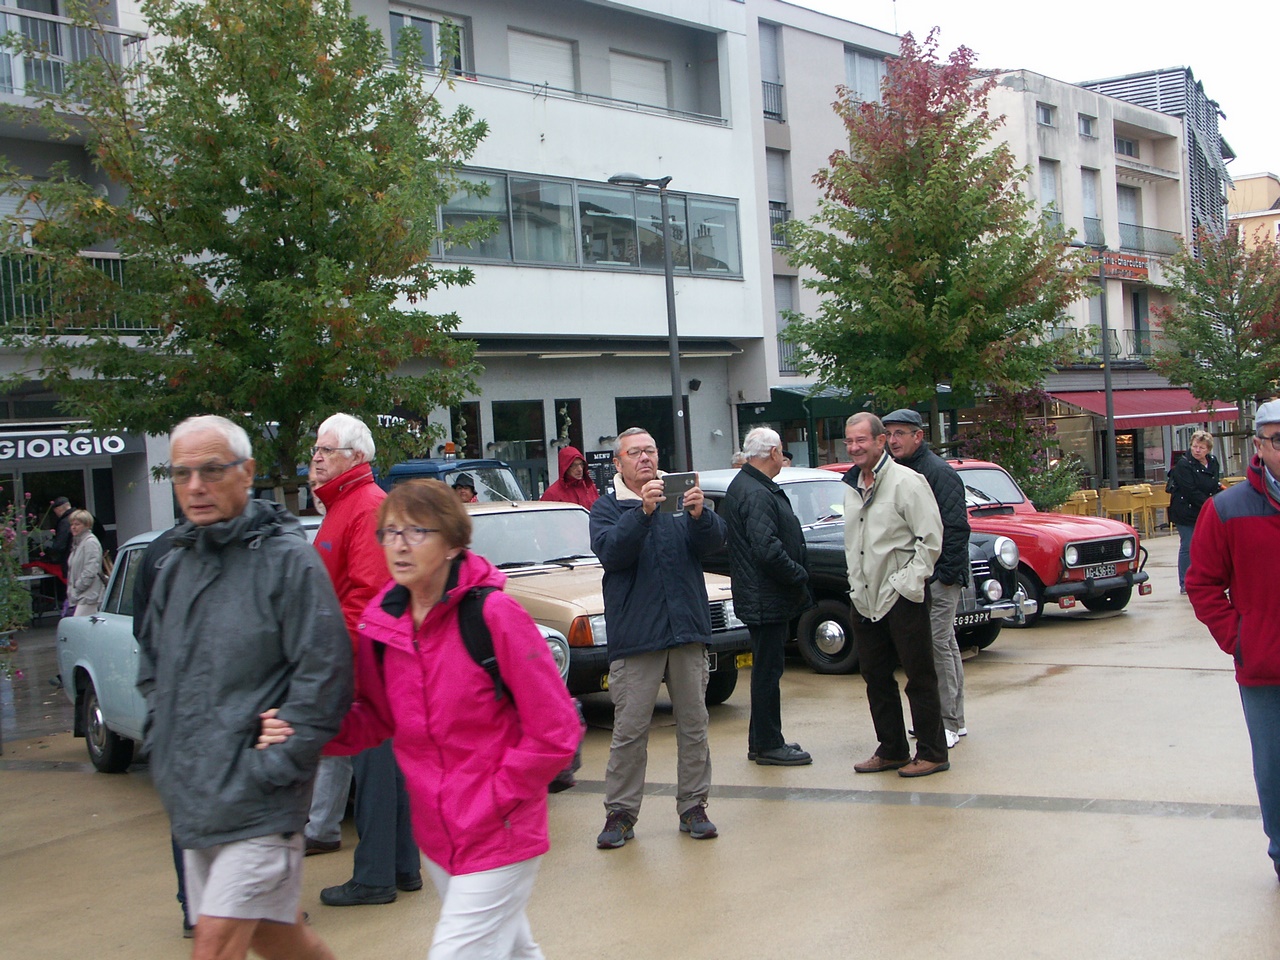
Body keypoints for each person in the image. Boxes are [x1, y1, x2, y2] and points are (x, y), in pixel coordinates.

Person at [260, 479, 580, 958]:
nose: (399, 545)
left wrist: (496, 797)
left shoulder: (494, 615)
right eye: (390, 532)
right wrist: (302, 730)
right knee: (513, 951)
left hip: (500, 831)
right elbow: (374, 719)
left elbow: (556, 730)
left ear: (453, 543)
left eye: (417, 532)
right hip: (439, 835)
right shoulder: (382, 624)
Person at [135, 414, 352, 960]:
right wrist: (165, 747)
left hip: (261, 803)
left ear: (247, 472)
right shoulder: (174, 567)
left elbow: (326, 674)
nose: (195, 486)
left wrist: (276, 765)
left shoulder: (288, 562)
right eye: (181, 474)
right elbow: (153, 670)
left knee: (212, 946)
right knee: (278, 939)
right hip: (196, 800)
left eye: (211, 470)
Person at [590, 427, 727, 847]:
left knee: (694, 725)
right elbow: (612, 553)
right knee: (630, 731)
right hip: (636, 637)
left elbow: (715, 544)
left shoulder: (680, 499)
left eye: (650, 450)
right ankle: (620, 813)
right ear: (618, 463)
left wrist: (702, 516)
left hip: (686, 630)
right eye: (634, 453)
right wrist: (643, 513)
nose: (645, 458)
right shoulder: (607, 508)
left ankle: (694, 807)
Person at [307, 414, 422, 906]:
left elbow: (368, 596)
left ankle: (375, 876)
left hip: (367, 660)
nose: (317, 457)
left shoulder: (366, 505)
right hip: (367, 657)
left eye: (326, 450)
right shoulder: (347, 504)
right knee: (385, 770)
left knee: (375, 772)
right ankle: (401, 867)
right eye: (316, 449)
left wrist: (343, 665)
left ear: (356, 457)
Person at [1187, 400, 1280, 883]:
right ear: (1259, 447)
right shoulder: (1226, 508)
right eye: (1279, 439)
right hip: (1265, 668)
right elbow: (1201, 583)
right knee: (1275, 769)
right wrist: (1240, 638)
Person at [841, 412, 948, 778]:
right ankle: (892, 750)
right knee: (875, 678)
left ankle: (933, 752)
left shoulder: (908, 482)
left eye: (861, 440)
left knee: (919, 677)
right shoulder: (851, 486)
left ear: (880, 440)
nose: (854, 447)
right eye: (849, 441)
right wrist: (855, 584)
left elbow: (930, 540)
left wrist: (907, 583)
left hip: (902, 597)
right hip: (864, 598)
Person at [721, 427, 812, 766]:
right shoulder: (755, 491)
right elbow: (767, 549)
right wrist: (798, 573)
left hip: (760, 593)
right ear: (774, 452)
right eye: (781, 451)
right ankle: (770, 744)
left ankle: (761, 741)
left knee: (765, 670)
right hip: (765, 595)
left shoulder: (749, 485)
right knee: (767, 673)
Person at [883, 409, 970, 748]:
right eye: (889, 434)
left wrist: (944, 576)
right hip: (922, 575)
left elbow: (956, 527)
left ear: (918, 436)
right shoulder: (901, 470)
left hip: (939, 576)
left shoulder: (937, 472)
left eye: (900, 433)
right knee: (944, 643)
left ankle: (946, 723)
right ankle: (953, 719)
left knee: (935, 645)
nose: (892, 441)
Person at [1168, 428, 1220, 594]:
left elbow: (1214, 484)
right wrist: (1209, 504)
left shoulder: (1213, 462)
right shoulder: (1184, 465)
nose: (1197, 450)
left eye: (1201, 447)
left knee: (1209, 545)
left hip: (1205, 510)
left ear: (1208, 449)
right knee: (1188, 544)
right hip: (1185, 510)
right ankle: (1185, 582)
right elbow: (1190, 490)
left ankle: (1207, 578)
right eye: (1195, 446)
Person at [65, 509, 105, 617]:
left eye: (77, 524)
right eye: (72, 524)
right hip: (79, 596)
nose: (73, 527)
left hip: (89, 596)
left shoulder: (90, 542)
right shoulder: (78, 543)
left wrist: (76, 589)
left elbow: (90, 571)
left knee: (78, 624)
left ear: (87, 525)